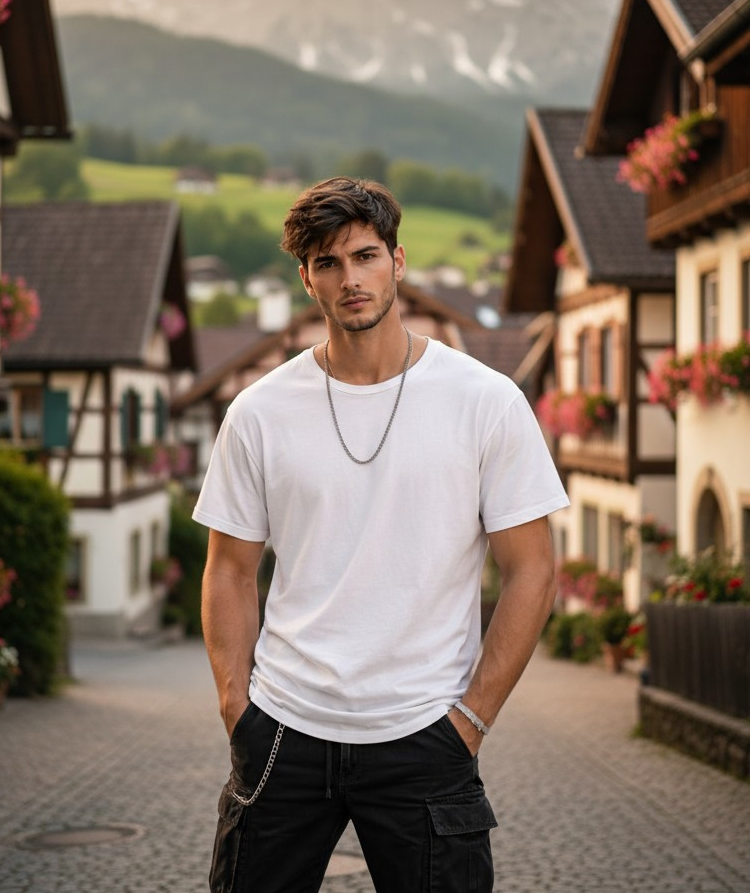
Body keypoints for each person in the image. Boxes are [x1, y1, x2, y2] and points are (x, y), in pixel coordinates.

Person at [194, 177, 567, 893]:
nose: (351, 279)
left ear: (398, 261)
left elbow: (532, 571)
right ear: (307, 278)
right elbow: (230, 570)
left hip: (427, 730)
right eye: (328, 263)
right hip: (283, 730)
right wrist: (237, 709)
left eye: (365, 256)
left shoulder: (485, 401)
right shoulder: (259, 412)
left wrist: (473, 719)